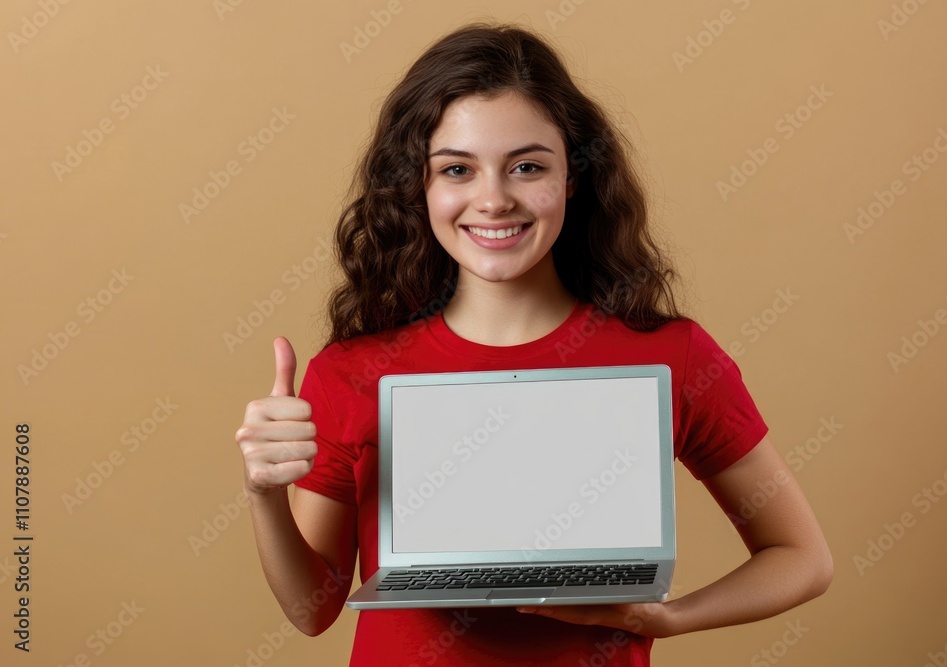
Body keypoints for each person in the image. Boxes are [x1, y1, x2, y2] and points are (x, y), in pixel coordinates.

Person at [234, 21, 833, 666]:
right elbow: (310, 612)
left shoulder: (672, 355)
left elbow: (802, 558)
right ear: (420, 187)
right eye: (457, 169)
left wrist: (664, 617)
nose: (493, 200)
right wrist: (264, 494)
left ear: (573, 176)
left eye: (526, 166)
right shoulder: (352, 374)